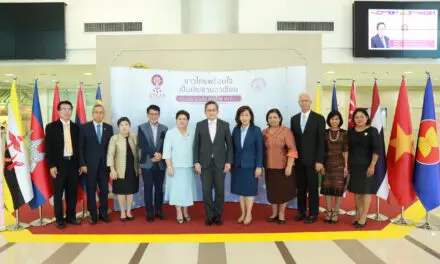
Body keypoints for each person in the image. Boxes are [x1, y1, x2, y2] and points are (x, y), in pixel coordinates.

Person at [193, 101, 233, 226]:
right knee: (206, 191)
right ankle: (209, 216)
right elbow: (196, 145)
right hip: (204, 164)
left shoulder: (225, 125)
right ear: (205, 112)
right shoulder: (199, 125)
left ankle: (218, 215)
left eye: (213, 110)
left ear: (217, 111)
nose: (211, 112)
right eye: (208, 110)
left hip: (220, 163)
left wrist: (228, 162)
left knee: (220, 191)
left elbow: (230, 146)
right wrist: (196, 162)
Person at [45, 101, 81, 229]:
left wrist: (80, 165)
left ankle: (71, 217)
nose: (67, 111)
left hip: (73, 164)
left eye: (69, 109)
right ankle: (59, 219)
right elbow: (48, 148)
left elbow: (79, 148)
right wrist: (52, 165)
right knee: (58, 193)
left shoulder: (76, 127)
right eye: (64, 109)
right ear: (58, 111)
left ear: (72, 111)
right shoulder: (51, 127)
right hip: (59, 165)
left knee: (72, 193)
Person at [290, 92, 325, 224]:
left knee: (313, 188)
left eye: (306, 100)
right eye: (301, 101)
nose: (304, 103)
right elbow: (293, 142)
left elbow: (321, 142)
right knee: (300, 188)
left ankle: (313, 213)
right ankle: (301, 212)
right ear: (299, 103)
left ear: (310, 102)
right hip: (298, 161)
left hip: (313, 161)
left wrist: (319, 161)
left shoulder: (319, 118)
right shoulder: (294, 119)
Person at [78, 104, 113, 225]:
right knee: (91, 190)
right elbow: (80, 147)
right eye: (96, 112)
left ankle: (103, 213)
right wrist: (82, 164)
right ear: (92, 114)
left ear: (104, 114)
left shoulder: (109, 128)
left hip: (104, 166)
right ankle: (93, 214)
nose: (99, 114)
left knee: (104, 191)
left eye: (101, 112)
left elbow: (110, 148)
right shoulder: (84, 128)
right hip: (89, 166)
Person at [263, 109, 297, 224]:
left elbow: (292, 149)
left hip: (283, 167)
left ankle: (281, 214)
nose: (272, 120)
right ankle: (274, 213)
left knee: (283, 192)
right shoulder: (264, 132)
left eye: (275, 117)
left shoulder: (286, 131)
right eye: (270, 117)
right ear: (267, 120)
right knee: (272, 191)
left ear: (280, 118)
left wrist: (289, 166)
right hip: (269, 167)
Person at [231, 106, 264, 225]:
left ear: (251, 117)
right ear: (238, 117)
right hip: (238, 166)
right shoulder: (235, 130)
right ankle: (243, 213)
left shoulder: (256, 130)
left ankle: (249, 213)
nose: (244, 118)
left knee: (249, 191)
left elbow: (260, 150)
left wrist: (259, 166)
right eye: (242, 115)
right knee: (241, 191)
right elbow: (233, 149)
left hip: (251, 166)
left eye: (246, 115)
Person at [163, 110, 197, 224]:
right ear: (176, 120)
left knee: (187, 191)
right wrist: (169, 167)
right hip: (175, 167)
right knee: (177, 191)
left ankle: (186, 211)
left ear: (187, 121)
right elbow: (166, 152)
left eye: (184, 119)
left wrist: (195, 164)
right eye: (180, 119)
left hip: (189, 167)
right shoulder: (170, 133)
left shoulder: (192, 132)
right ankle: (178, 212)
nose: (182, 121)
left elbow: (195, 150)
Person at [348, 108, 379, 228]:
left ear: (367, 118)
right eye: (356, 117)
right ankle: (359, 214)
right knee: (357, 191)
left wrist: (372, 165)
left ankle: (364, 216)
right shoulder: (351, 131)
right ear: (353, 119)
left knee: (366, 191)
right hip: (354, 165)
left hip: (367, 165)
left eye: (361, 117)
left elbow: (376, 150)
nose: (359, 119)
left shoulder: (372, 131)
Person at [138, 105, 168, 222]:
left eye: (156, 114)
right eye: (151, 114)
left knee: (159, 188)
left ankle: (159, 210)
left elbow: (166, 144)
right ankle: (149, 212)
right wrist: (153, 155)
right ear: (147, 115)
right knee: (148, 188)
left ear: (159, 115)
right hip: (147, 163)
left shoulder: (164, 128)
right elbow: (142, 144)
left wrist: (160, 154)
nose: (154, 116)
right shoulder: (142, 127)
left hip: (160, 163)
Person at [107, 117, 139, 221]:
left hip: (132, 169)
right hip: (119, 170)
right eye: (122, 125)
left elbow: (139, 153)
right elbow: (110, 154)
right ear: (119, 127)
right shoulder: (114, 138)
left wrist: (140, 168)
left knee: (130, 191)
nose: (124, 127)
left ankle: (129, 211)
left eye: (126, 124)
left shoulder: (134, 137)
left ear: (129, 126)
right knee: (121, 191)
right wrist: (112, 169)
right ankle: (122, 211)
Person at [320, 111, 348, 224]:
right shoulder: (324, 133)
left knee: (338, 189)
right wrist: (321, 164)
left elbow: (346, 151)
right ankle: (328, 212)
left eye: (336, 119)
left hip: (340, 165)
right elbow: (321, 150)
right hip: (327, 164)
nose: (334, 121)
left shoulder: (345, 133)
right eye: (332, 119)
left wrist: (346, 166)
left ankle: (335, 213)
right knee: (327, 190)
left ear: (340, 120)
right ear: (329, 120)